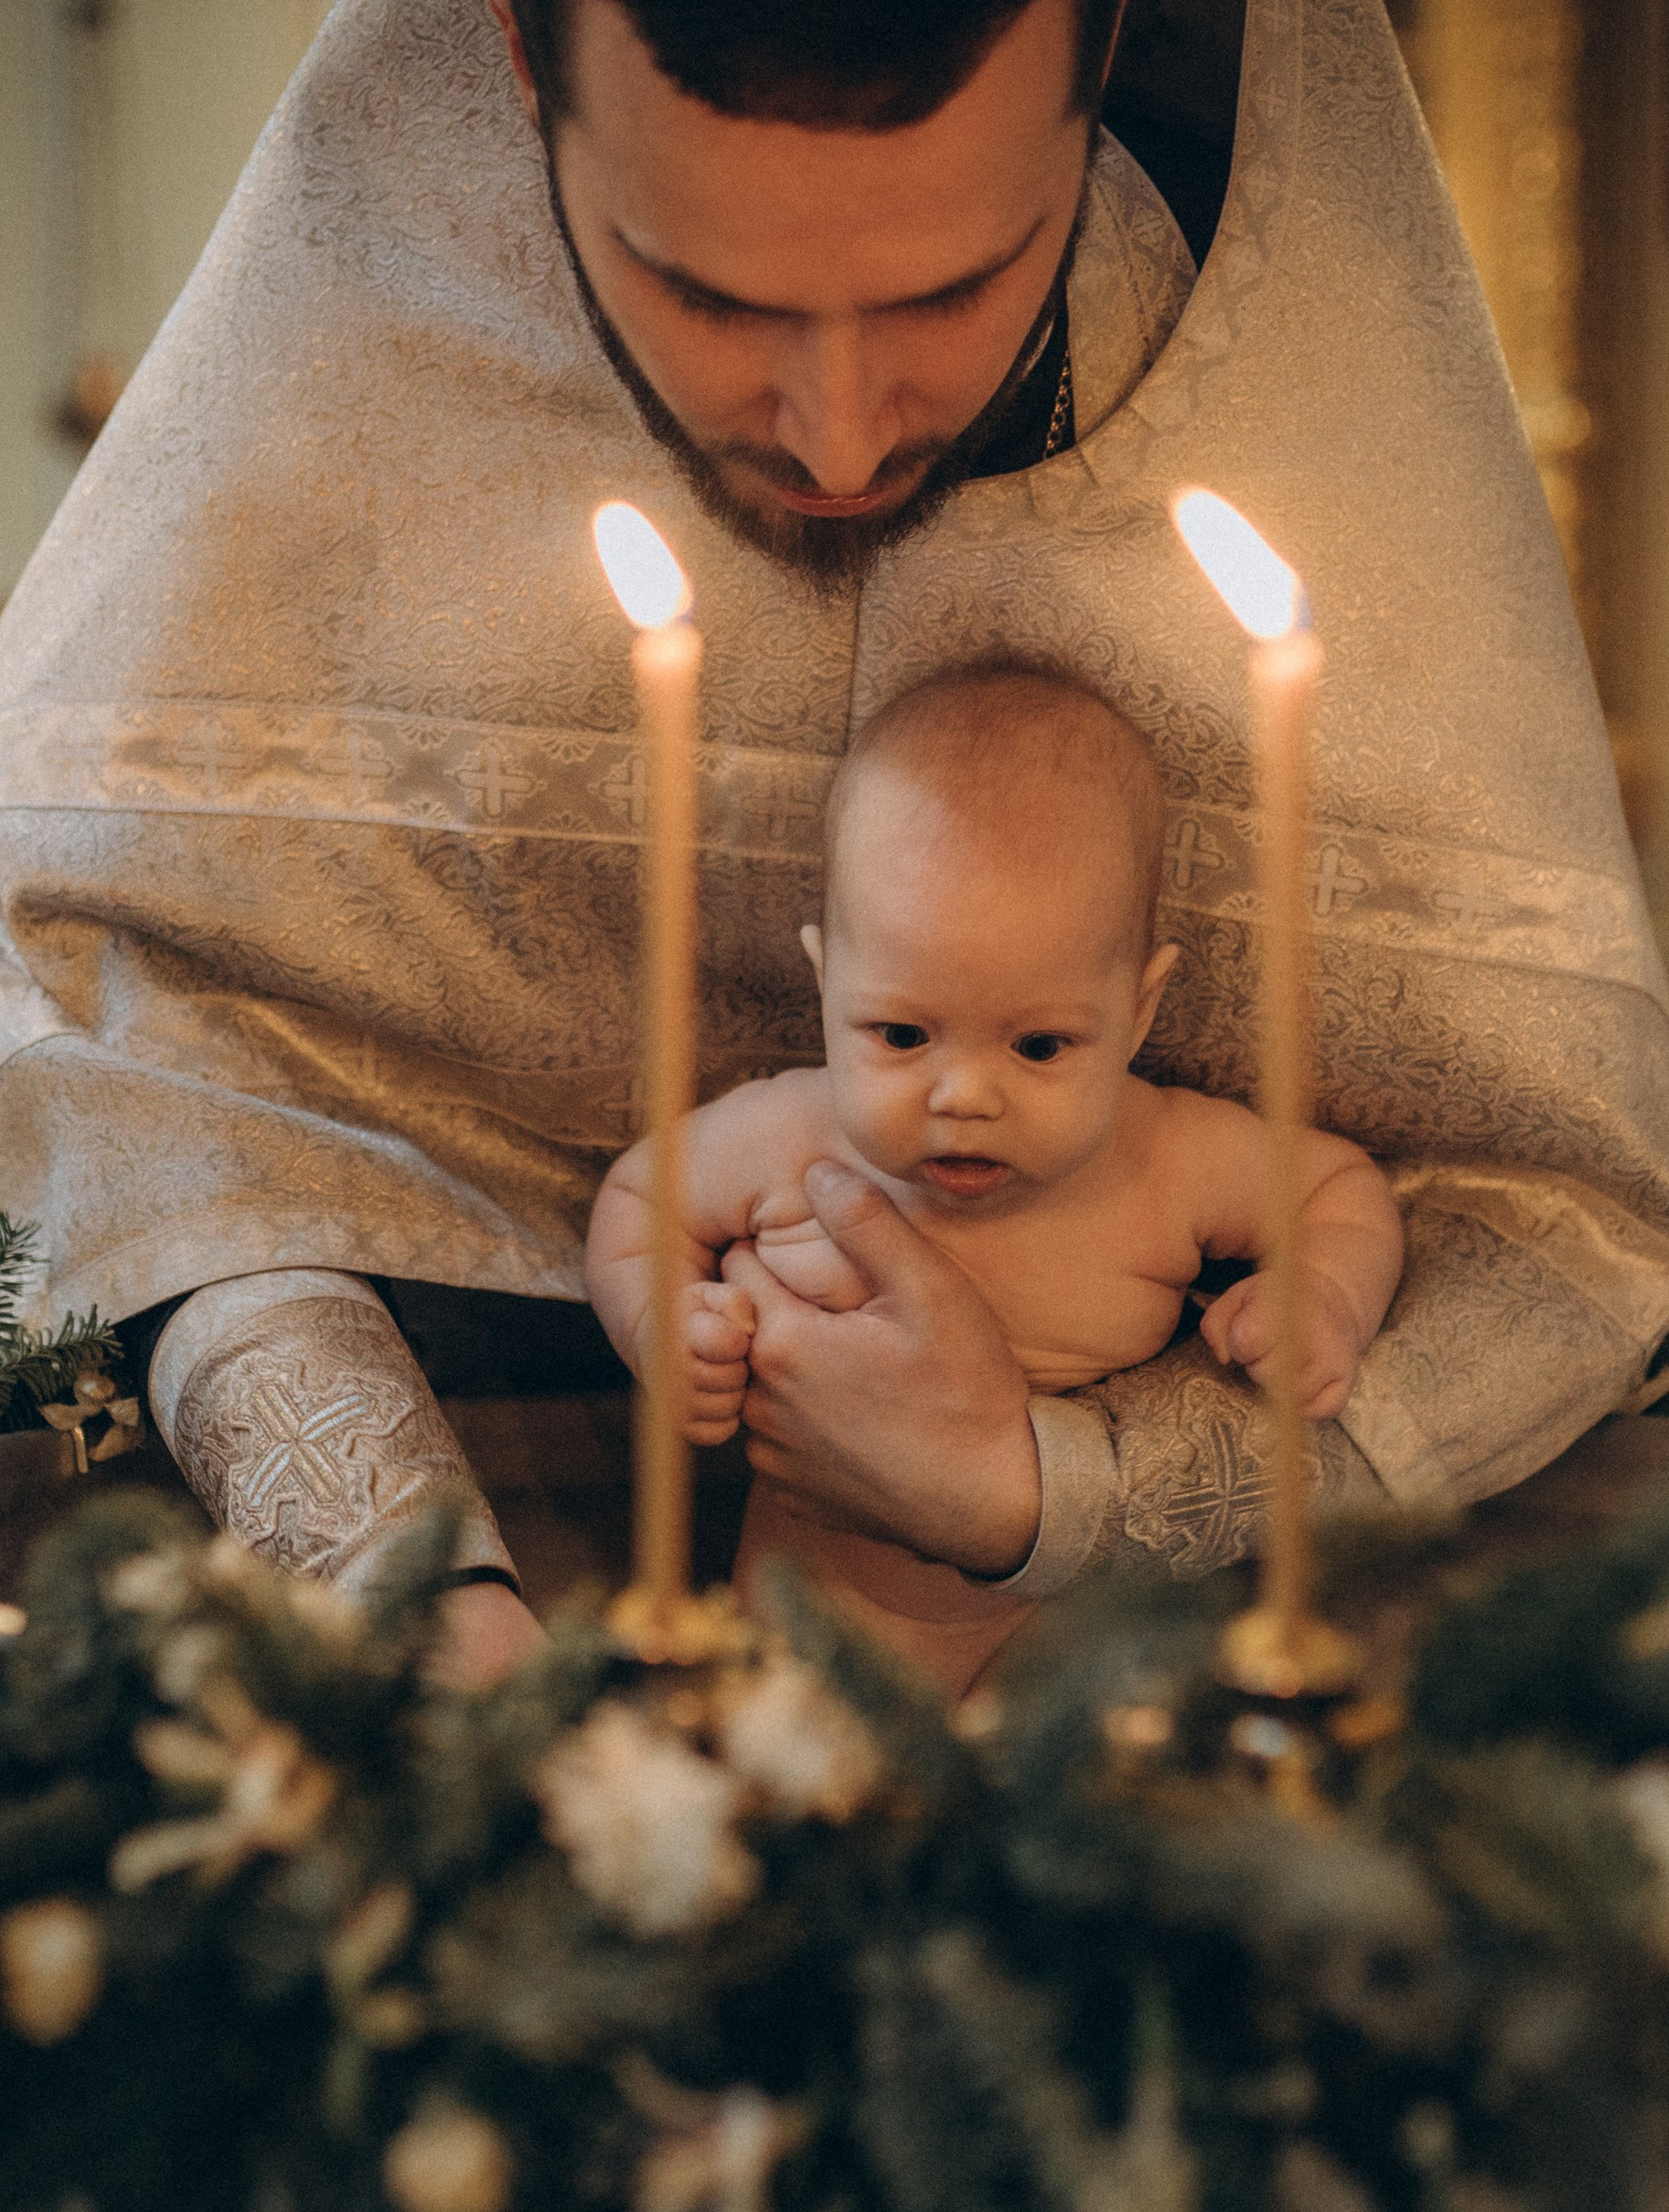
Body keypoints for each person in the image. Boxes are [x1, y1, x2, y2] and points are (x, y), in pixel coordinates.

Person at [1, 0, 1666, 1690]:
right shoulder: (373, 299)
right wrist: (412, 1600)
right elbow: (111, 1045)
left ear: (1098, 68)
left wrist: (1045, 1484)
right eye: (709, 295)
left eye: (954, 288)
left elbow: (1560, 1221)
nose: (841, 436)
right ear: (523, 66)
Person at [586, 658, 1403, 1686]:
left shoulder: (1166, 1157)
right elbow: (639, 1197)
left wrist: (1323, 1295)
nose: (964, 1096)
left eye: (1040, 1048)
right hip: (802, 1640)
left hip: (1084, 1647)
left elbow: (1339, 1192)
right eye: (900, 1032)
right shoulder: (790, 1137)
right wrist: (658, 1324)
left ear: (1140, 1011)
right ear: (825, 980)